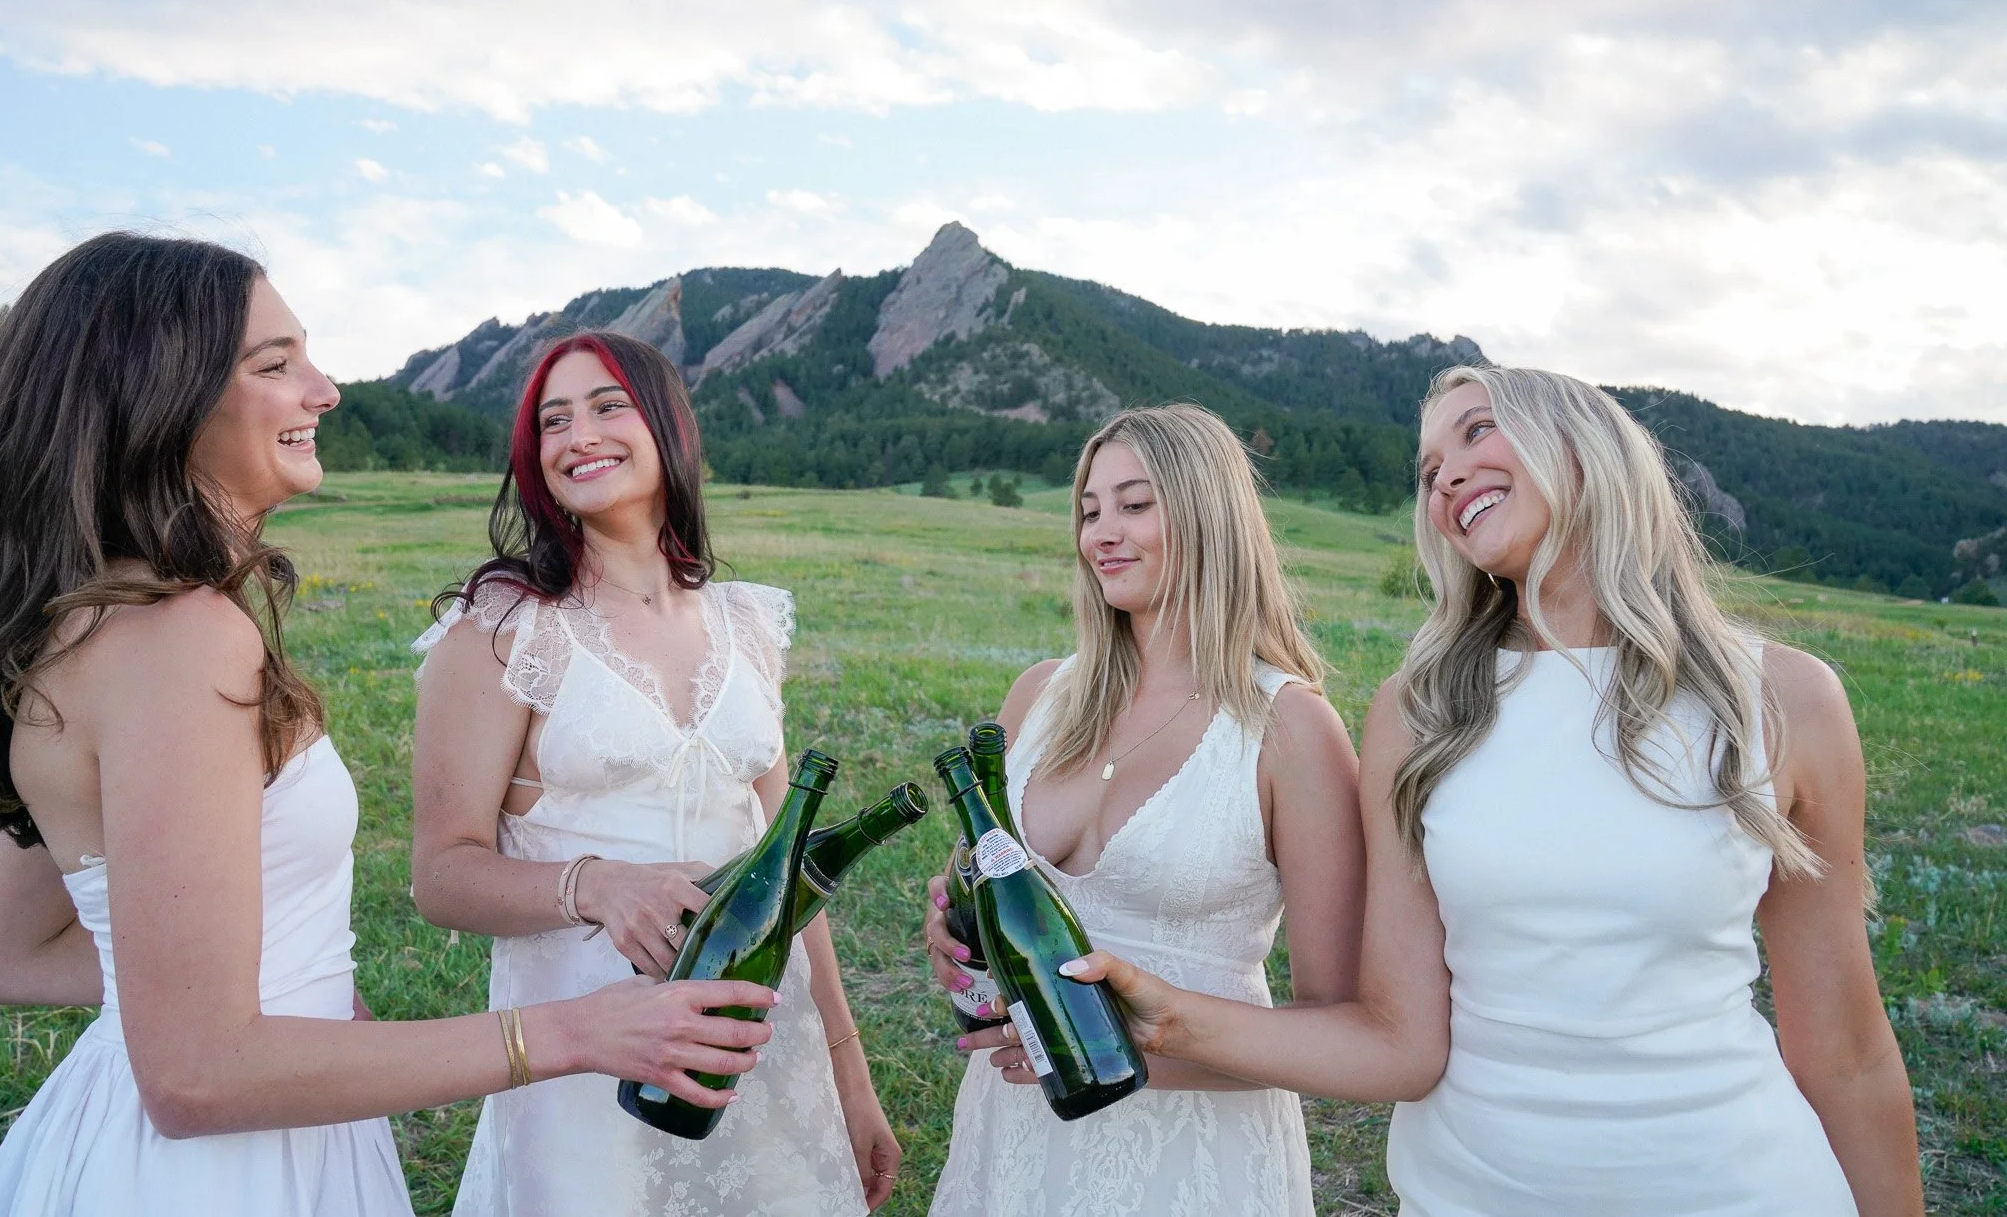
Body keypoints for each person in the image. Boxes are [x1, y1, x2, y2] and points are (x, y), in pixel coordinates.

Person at [0, 236, 777, 1217]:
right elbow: (198, 1076)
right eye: (276, 364)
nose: (326, 388)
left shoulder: (107, 620)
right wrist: (571, 1031)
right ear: (159, 397)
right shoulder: (178, 640)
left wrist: (267, 983)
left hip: (220, 1128)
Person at [1063, 366, 1926, 1215]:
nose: (1445, 479)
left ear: (1586, 448)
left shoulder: (1782, 699)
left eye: (1476, 431)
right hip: (1467, 1189)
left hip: (1736, 1184)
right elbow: (1396, 1035)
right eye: (1429, 471)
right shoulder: (1422, 712)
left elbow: (1846, 1050)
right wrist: (1165, 1020)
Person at [410, 331, 899, 1216]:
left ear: (670, 427)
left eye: (607, 406)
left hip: (757, 1049)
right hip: (587, 1058)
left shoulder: (747, 624)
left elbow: (786, 867)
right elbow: (440, 874)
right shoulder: (501, 631)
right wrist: (592, 886)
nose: (577, 435)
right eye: (552, 420)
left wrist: (846, 1072)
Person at [921, 403, 1364, 1217]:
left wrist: (1120, 1050)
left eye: (1135, 503)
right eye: (1090, 510)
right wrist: (953, 917)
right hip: (1015, 1133)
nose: (1102, 534)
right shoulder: (1039, 696)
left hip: (1191, 1152)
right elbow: (991, 881)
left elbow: (1338, 1034)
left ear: (1207, 514)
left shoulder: (1290, 729)